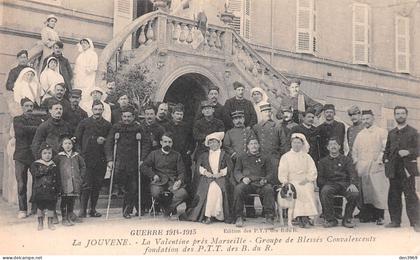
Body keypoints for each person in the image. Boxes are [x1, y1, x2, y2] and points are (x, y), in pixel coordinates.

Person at [105, 106, 152, 218]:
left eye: (129, 117)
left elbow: (146, 143)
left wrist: (142, 159)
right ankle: (134, 208)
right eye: (124, 116)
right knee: (126, 187)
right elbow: (108, 143)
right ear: (121, 117)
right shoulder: (116, 127)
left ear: (133, 117)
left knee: (133, 187)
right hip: (120, 162)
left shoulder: (138, 128)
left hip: (134, 162)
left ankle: (127, 210)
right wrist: (110, 159)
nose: (126, 119)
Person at [180, 132, 233, 224]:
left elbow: (229, 168)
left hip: (221, 177)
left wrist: (221, 173)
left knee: (216, 188)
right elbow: (198, 167)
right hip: (207, 177)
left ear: (219, 143)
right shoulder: (204, 155)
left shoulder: (225, 155)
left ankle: (216, 215)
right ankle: (208, 215)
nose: (212, 144)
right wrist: (205, 172)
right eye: (210, 142)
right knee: (207, 188)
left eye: (214, 142)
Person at [383, 106, 420, 232]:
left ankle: (416, 222)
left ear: (406, 115)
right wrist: (386, 160)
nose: (400, 116)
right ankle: (395, 221)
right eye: (397, 113)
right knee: (393, 195)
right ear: (394, 116)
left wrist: (408, 151)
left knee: (411, 195)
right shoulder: (391, 133)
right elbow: (387, 150)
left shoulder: (413, 132)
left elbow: (418, 149)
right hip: (393, 169)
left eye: (402, 113)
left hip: (407, 169)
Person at [75, 100, 111, 218]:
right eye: (95, 109)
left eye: (100, 109)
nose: (98, 112)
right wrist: (80, 155)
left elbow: (110, 142)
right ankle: (82, 210)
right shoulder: (84, 123)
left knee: (97, 185)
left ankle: (93, 209)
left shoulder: (107, 125)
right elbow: (77, 140)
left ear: (103, 110)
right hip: (86, 159)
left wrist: (104, 140)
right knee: (86, 185)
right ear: (92, 110)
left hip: (101, 159)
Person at [352, 110, 389, 225]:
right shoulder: (360, 134)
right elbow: (355, 150)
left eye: (367, 119)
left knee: (378, 191)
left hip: (376, 166)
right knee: (366, 192)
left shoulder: (381, 132)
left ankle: (379, 216)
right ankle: (366, 214)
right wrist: (356, 162)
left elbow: (385, 148)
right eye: (363, 119)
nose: (365, 121)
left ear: (373, 118)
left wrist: (379, 161)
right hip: (363, 167)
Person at [141, 133, 189, 217]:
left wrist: (179, 181)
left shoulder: (177, 155)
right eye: (165, 141)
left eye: (169, 142)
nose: (167, 144)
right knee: (155, 193)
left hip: (172, 182)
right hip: (158, 182)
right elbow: (144, 166)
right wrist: (153, 175)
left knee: (183, 193)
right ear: (161, 142)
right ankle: (166, 207)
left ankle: (168, 209)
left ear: (172, 143)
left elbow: (182, 171)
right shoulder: (154, 154)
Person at [233, 138, 276, 227]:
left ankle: (269, 217)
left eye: (255, 143)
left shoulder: (265, 157)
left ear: (259, 145)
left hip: (260, 183)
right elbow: (237, 171)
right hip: (247, 183)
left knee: (269, 189)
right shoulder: (241, 157)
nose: (254, 146)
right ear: (248, 146)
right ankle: (239, 216)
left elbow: (271, 172)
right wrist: (242, 178)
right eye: (251, 144)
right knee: (238, 189)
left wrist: (265, 179)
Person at [278, 133, 318, 228]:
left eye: (299, 143)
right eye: (294, 143)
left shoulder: (307, 157)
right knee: (296, 189)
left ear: (302, 144)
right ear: (291, 144)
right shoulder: (286, 157)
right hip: (291, 182)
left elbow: (312, 170)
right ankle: (299, 217)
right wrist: (285, 181)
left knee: (308, 189)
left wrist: (307, 179)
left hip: (305, 180)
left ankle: (307, 216)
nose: (296, 145)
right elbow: (282, 172)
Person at [318, 138, 359, 228]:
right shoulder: (323, 161)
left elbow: (352, 173)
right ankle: (331, 219)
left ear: (339, 147)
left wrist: (352, 184)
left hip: (344, 184)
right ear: (328, 147)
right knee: (325, 191)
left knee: (354, 193)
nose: (333, 146)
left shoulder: (346, 160)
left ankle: (347, 218)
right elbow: (320, 178)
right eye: (331, 144)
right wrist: (326, 184)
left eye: (335, 144)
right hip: (330, 184)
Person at [13, 98, 43, 218]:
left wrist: (32, 129)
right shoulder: (17, 119)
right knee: (21, 184)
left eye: (31, 106)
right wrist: (36, 129)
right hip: (20, 155)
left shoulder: (37, 120)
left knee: (37, 182)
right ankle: (22, 209)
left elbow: (39, 133)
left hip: (34, 155)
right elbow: (20, 131)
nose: (29, 108)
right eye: (26, 106)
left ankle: (35, 209)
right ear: (22, 107)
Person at [54, 135, 86, 226]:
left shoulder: (77, 156)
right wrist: (57, 179)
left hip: (75, 182)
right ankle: (64, 218)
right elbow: (54, 168)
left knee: (72, 200)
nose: (67, 145)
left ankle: (70, 216)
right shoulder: (59, 157)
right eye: (65, 144)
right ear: (62, 145)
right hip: (65, 183)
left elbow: (83, 166)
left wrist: (81, 177)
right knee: (64, 200)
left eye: (69, 143)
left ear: (72, 145)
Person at [162, 104, 194, 187]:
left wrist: (190, 150)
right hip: (171, 154)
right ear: (172, 114)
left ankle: (187, 196)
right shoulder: (166, 126)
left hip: (184, 156)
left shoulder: (187, 126)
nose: (179, 116)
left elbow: (192, 140)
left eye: (181, 114)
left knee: (186, 176)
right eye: (177, 114)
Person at [30, 143, 60, 231]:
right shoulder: (36, 164)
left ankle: (50, 223)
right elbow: (35, 174)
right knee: (40, 207)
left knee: (51, 207)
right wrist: (46, 169)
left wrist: (58, 189)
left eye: (49, 153)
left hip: (51, 190)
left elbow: (57, 178)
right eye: (45, 153)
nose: (47, 155)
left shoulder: (54, 165)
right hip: (40, 190)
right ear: (41, 154)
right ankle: (40, 223)